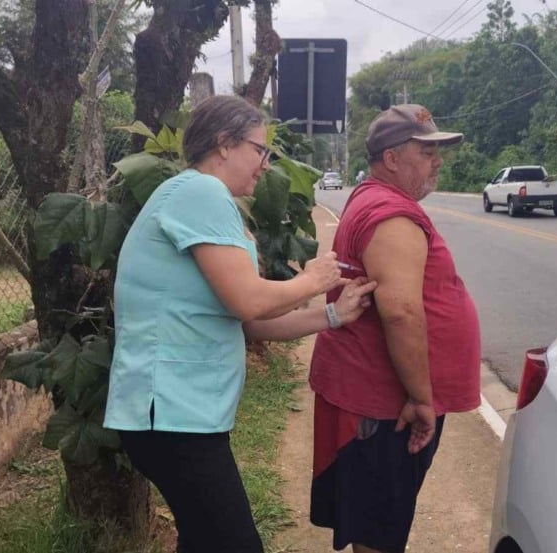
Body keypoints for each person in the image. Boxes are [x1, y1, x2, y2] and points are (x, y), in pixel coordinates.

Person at [104, 95, 377, 553]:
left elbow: (246, 321)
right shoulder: (200, 192)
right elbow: (249, 299)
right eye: (260, 150)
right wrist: (312, 280)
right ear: (224, 144)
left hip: (179, 416)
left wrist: (332, 315)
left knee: (203, 540)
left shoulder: (197, 196)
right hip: (172, 416)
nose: (266, 165)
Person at [308, 104, 481, 553]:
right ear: (391, 158)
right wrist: (422, 399)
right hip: (385, 407)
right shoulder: (391, 214)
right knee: (379, 530)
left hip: (376, 400)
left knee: (376, 522)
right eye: (426, 152)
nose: (437, 162)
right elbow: (402, 312)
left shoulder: (376, 200)